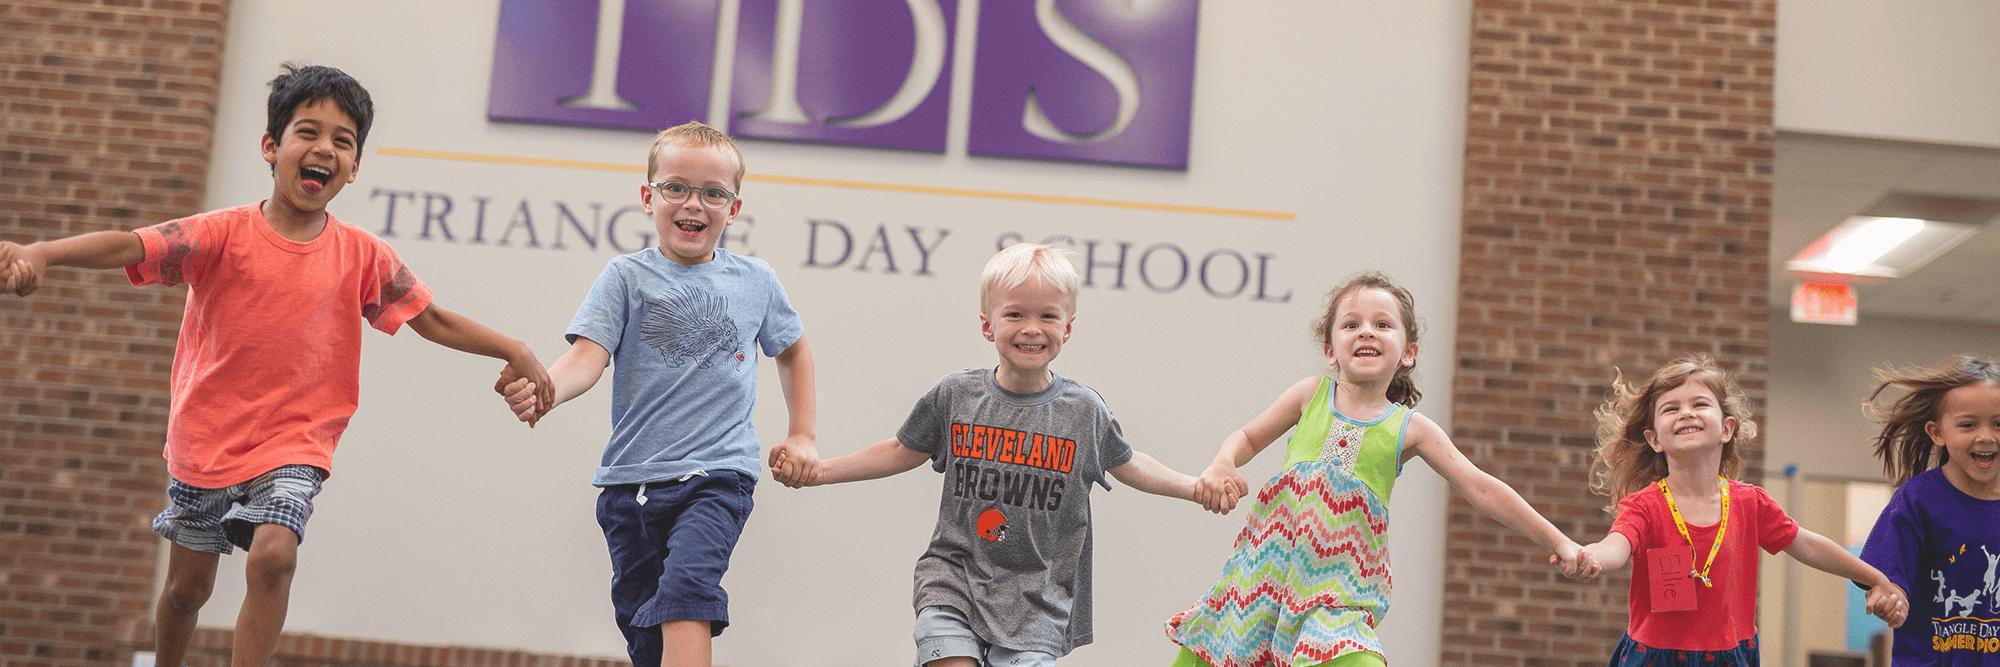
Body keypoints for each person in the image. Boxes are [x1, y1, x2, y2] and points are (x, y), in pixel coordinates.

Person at [0, 62, 553, 666]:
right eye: (307, 133)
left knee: (274, 557)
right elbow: (131, 244)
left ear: (355, 166)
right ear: (272, 146)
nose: (324, 149)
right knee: (188, 591)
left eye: (343, 141)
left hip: (296, 439)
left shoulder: (362, 256)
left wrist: (513, 348)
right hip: (206, 437)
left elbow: (431, 318)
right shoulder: (221, 235)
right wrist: (42, 253)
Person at [794, 243, 1207, 666]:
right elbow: (901, 450)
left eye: (1047, 316)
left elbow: (1129, 463)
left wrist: (1195, 487)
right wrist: (821, 471)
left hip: (1038, 596)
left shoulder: (1083, 411)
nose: (1031, 328)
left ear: (1068, 328)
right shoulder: (956, 396)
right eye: (1015, 314)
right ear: (987, 325)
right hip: (955, 579)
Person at [497, 121, 815, 667]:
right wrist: (547, 388)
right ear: (649, 197)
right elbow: (587, 357)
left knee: (687, 595)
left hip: (718, 476)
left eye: (714, 193)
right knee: (645, 634)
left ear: (733, 209)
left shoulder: (755, 281)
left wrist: (802, 434)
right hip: (629, 485)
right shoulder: (626, 278)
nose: (694, 204)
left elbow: (793, 350)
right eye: (677, 188)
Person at [1165, 271, 1586, 667]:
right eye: (1351, 325)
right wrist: (1222, 462)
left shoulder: (1409, 428)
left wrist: (1558, 540)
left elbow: (1480, 487)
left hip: (1335, 598)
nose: (1366, 330)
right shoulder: (1310, 395)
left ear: (1409, 352)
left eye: (1382, 324)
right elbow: (1247, 437)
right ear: (1330, 350)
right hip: (1260, 583)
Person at [1572, 354, 1906, 665]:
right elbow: (1616, 545)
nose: (1686, 412)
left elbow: (1806, 544)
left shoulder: (1750, 503)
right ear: (1654, 439)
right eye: (1670, 409)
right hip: (1655, 657)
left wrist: (1875, 577)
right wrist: (1594, 557)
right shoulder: (1645, 506)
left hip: (1730, 656)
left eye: (1700, 404)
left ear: (1727, 428)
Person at [1858, 356, 2000, 665]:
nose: (1987, 436)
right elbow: (1889, 577)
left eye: (1998, 423)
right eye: (1968, 424)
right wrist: (1889, 597)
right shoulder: (1918, 499)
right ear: (1937, 433)